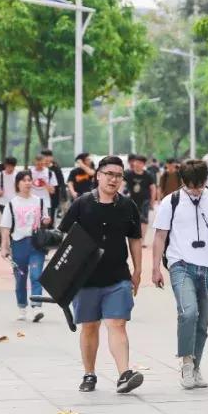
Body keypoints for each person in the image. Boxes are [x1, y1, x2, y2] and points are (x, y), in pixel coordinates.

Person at [58, 156, 145, 394]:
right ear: (98, 175)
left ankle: (124, 374)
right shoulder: (81, 204)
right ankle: (89, 373)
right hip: (86, 279)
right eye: (109, 174)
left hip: (118, 276)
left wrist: (137, 271)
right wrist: (64, 276)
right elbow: (64, 237)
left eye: (118, 175)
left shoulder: (128, 206)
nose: (113, 179)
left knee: (117, 324)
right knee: (90, 327)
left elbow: (135, 240)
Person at [152, 159, 208, 389]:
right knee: (188, 312)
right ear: (183, 182)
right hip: (180, 264)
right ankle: (186, 364)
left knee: (203, 321)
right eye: (191, 186)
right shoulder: (170, 202)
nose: (195, 191)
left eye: (199, 186)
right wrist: (154, 268)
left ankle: (196, 366)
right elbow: (160, 236)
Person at [0, 170, 52, 323]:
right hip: (19, 244)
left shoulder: (39, 201)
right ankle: (22, 307)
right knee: (21, 278)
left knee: (36, 276)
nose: (28, 183)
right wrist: (4, 247)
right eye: (24, 180)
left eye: (29, 180)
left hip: (37, 244)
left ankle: (37, 307)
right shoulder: (12, 204)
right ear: (18, 184)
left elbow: (45, 218)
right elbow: (5, 228)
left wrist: (46, 219)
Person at [123, 154, 158, 241]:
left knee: (144, 220)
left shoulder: (148, 175)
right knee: (131, 220)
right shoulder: (128, 174)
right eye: (136, 162)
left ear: (143, 164)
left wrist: (152, 202)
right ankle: (132, 237)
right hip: (131, 200)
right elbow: (122, 185)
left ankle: (142, 240)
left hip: (145, 200)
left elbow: (153, 189)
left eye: (140, 163)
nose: (137, 164)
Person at [41, 149, 66, 218]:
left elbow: (61, 182)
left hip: (53, 195)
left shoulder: (56, 168)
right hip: (41, 194)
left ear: (51, 157)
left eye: (48, 156)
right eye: (44, 156)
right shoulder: (39, 169)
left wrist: (64, 196)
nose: (46, 158)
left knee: (51, 214)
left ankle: (51, 226)